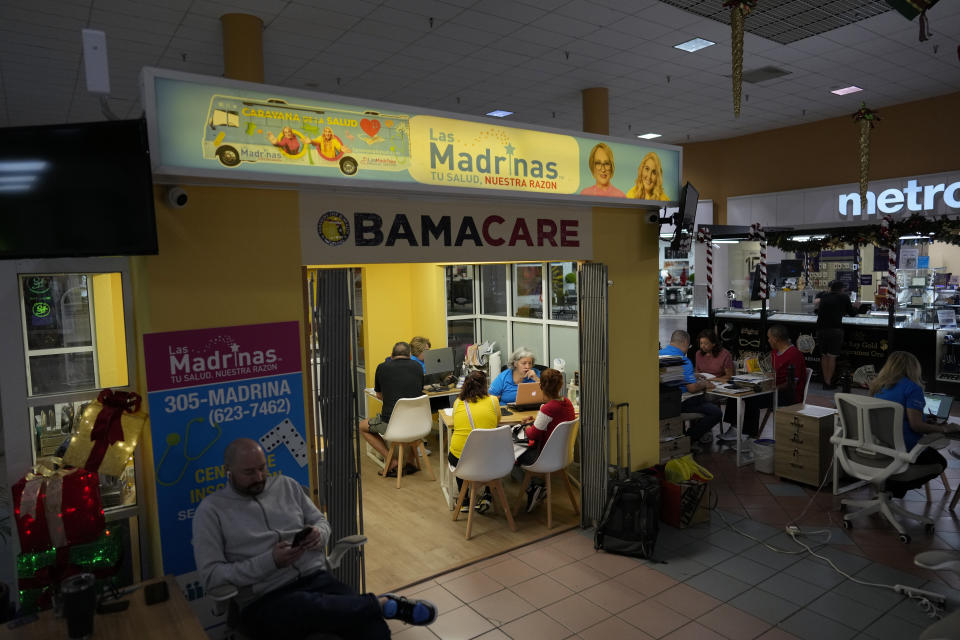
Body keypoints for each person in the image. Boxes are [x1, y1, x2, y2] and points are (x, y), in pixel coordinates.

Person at [192, 438, 437, 640]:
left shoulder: (286, 486)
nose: (258, 477)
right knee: (301, 604)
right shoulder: (212, 511)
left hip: (316, 579)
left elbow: (322, 522)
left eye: (262, 468)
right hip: (264, 599)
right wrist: (271, 561)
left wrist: (318, 535)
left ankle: (376, 609)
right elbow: (212, 577)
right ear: (229, 472)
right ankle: (380, 605)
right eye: (248, 472)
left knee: (374, 630)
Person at [869, 351, 958, 496]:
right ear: (913, 368)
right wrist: (945, 429)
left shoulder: (878, 386)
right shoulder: (912, 388)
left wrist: (922, 417)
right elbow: (916, 426)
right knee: (940, 463)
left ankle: (889, 486)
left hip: (881, 447)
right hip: (904, 449)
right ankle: (894, 486)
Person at [721, 325, 807, 443]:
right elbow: (767, 370)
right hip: (770, 388)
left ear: (776, 338)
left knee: (752, 400)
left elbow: (791, 383)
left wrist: (773, 387)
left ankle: (750, 437)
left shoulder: (795, 354)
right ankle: (734, 428)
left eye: (769, 337)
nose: (768, 340)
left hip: (786, 395)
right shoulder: (774, 352)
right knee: (735, 390)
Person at [359, 341, 424, 477]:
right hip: (417, 424)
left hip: (391, 424)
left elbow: (379, 395)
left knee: (362, 426)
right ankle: (411, 461)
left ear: (391, 355)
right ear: (410, 355)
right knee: (412, 426)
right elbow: (419, 390)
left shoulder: (382, 367)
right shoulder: (418, 366)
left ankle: (391, 460)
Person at [517, 368, 577, 511]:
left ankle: (533, 487)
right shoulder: (567, 403)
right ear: (560, 385)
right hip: (562, 456)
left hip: (543, 457)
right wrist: (537, 421)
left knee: (511, 454)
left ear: (541, 386)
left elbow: (532, 435)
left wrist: (526, 426)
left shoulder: (547, 409)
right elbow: (553, 424)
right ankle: (536, 486)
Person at [659, 330, 722, 449]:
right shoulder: (683, 360)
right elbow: (692, 388)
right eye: (688, 346)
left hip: (662, 403)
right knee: (716, 412)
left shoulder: (658, 354)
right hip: (680, 403)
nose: (688, 349)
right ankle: (688, 439)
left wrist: (693, 375)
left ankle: (682, 438)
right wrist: (704, 384)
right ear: (685, 342)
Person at [448, 370, 500, 513]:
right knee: (493, 451)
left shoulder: (458, 403)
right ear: (485, 386)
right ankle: (488, 494)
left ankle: (463, 497)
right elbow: (497, 421)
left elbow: (455, 423)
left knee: (458, 452)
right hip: (488, 460)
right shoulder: (493, 400)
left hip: (462, 461)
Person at [816, 280, 859, 389]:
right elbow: (852, 313)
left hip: (821, 329)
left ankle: (825, 382)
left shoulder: (824, 296)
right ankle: (829, 382)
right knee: (831, 357)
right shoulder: (843, 297)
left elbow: (818, 310)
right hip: (835, 330)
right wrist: (856, 306)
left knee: (824, 356)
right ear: (842, 289)